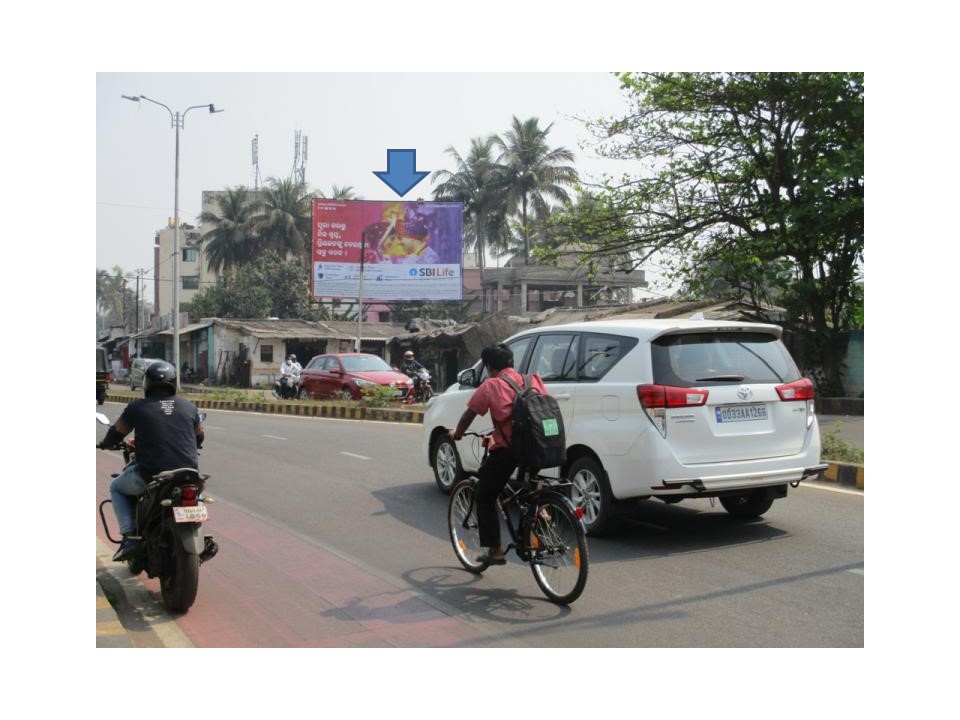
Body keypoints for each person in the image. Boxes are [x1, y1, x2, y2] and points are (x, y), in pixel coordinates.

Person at [449, 343, 546, 565]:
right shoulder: (533, 380)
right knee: (530, 490)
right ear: (511, 362)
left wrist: (457, 434)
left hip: (509, 451)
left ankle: (495, 551)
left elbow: (468, 416)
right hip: (540, 446)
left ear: (489, 366)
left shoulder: (492, 385)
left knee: (484, 494)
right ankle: (541, 516)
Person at [97, 361, 205, 561]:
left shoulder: (137, 407)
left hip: (151, 475)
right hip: (189, 473)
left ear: (147, 383)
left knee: (116, 488)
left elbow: (116, 433)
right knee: (196, 494)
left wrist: (105, 443)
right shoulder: (189, 407)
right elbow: (199, 437)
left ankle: (129, 537)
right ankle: (200, 534)